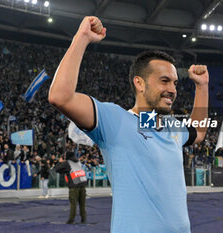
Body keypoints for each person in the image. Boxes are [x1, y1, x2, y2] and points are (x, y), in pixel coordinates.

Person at [48, 16, 209, 232]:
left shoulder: (170, 127)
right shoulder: (116, 120)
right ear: (139, 83)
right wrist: (82, 37)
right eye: (164, 80)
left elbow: (198, 131)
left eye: (174, 82)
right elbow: (60, 97)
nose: (173, 89)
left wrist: (202, 87)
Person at [55, 152, 87, 224]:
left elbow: (57, 169)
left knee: (73, 203)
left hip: (74, 185)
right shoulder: (78, 162)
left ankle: (71, 220)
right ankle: (83, 218)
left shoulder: (67, 163)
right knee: (82, 203)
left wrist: (60, 162)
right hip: (83, 183)